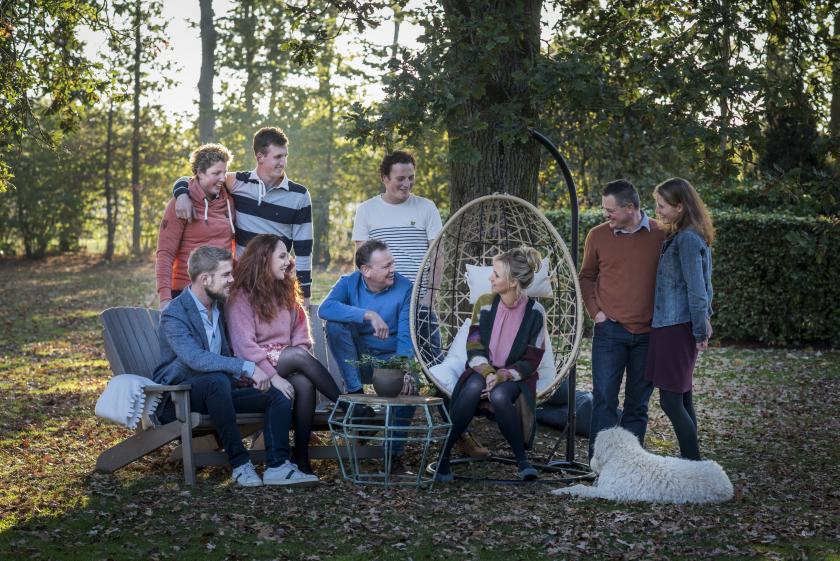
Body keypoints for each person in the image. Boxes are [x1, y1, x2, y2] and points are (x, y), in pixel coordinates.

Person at [353, 151, 487, 457]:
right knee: (401, 371)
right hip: (386, 306)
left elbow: (437, 255)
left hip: (419, 303)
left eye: (411, 177)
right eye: (400, 178)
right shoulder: (367, 211)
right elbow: (361, 262)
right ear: (385, 178)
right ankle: (387, 444)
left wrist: (428, 295)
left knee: (438, 368)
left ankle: (460, 433)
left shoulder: (426, 208)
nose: (406, 184)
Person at [153, 246, 317, 486]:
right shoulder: (175, 314)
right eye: (226, 275)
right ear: (205, 279)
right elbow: (196, 359)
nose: (233, 280)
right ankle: (240, 465)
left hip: (222, 393)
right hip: (181, 398)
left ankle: (278, 466)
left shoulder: (220, 306)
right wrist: (247, 367)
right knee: (216, 381)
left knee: (277, 394)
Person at [225, 234, 341, 477]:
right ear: (263, 259)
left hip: (287, 363)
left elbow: (300, 333)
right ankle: (347, 404)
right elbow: (243, 346)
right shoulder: (241, 296)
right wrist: (272, 374)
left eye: (287, 256)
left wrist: (296, 359)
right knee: (298, 358)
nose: (288, 262)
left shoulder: (285, 291)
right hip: (253, 373)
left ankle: (301, 457)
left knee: (304, 383)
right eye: (281, 256)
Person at [435, 246, 547, 482]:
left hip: (516, 377)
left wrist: (502, 376)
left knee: (498, 396)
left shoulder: (536, 313)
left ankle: (522, 462)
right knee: (474, 387)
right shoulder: (485, 303)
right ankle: (444, 459)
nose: (490, 278)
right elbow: (473, 346)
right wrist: (488, 372)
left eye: (496, 274)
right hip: (480, 368)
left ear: (513, 281)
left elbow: (532, 359)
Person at [172, 127, 314, 306]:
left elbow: (304, 251)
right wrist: (182, 194)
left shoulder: (299, 196)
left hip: (276, 285)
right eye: (278, 157)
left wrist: (305, 296)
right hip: (240, 285)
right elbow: (196, 179)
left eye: (285, 156)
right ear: (260, 157)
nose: (283, 162)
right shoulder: (237, 182)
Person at [578, 179, 666, 460]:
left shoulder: (661, 234)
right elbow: (587, 277)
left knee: (637, 404)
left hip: (650, 335)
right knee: (604, 399)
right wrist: (597, 314)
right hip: (610, 331)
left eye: (610, 210)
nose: (606, 215)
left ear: (630, 208)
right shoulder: (598, 235)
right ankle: (600, 464)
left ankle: (631, 463)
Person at [318, 240, 416, 471]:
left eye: (392, 263)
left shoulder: (405, 287)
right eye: (386, 266)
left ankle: (393, 456)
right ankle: (358, 400)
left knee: (411, 386)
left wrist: (405, 370)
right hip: (358, 362)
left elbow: (405, 334)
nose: (393, 269)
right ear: (366, 270)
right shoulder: (348, 283)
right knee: (335, 325)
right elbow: (325, 308)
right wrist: (368, 314)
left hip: (390, 362)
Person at [646, 177, 714, 460]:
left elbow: (698, 291)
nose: (658, 210)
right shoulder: (684, 234)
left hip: (676, 328)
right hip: (672, 326)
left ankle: (694, 464)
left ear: (680, 206)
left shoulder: (686, 239)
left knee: (671, 400)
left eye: (662, 205)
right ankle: (692, 463)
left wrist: (700, 331)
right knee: (683, 397)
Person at [155, 144, 235, 309]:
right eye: (216, 173)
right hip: (186, 291)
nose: (222, 178)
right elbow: (165, 254)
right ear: (199, 172)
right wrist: (164, 299)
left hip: (220, 293)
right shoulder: (181, 204)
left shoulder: (229, 201)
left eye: (224, 172)